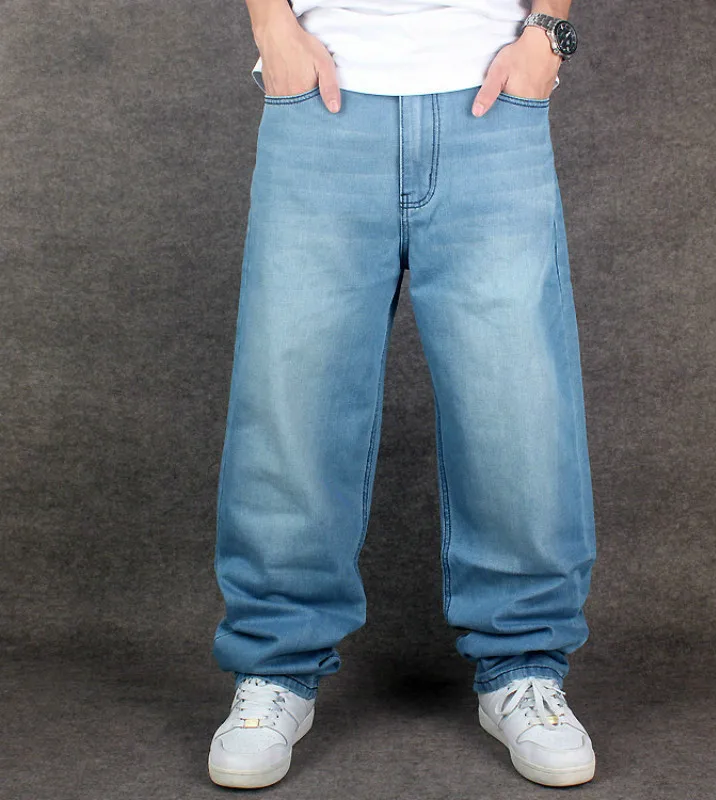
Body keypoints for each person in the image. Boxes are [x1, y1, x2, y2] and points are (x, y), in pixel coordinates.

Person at [207, 0, 597, 789]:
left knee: (518, 402)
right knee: (291, 397)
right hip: (323, 96)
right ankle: (275, 667)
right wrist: (271, 29)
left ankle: (525, 664)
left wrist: (546, 35)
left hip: (492, 96)